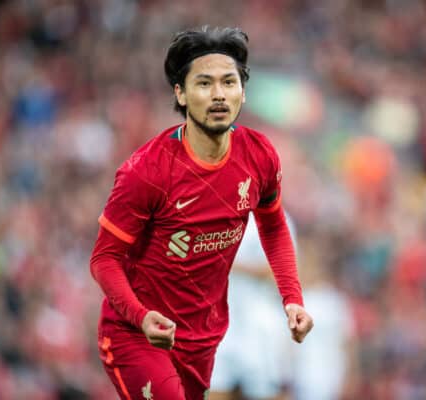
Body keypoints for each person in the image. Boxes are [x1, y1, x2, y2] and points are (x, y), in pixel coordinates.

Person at [89, 26, 313, 400]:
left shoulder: (259, 155)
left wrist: (291, 298)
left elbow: (272, 225)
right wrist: (141, 316)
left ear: (242, 90)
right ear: (180, 92)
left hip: (203, 338)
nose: (219, 94)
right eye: (204, 84)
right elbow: (104, 259)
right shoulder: (147, 171)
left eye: (229, 82)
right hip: (136, 334)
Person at [210, 212, 298, 400]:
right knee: (214, 388)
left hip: (259, 322)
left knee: (264, 391)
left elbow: (284, 271)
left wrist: (230, 263)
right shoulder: (216, 212)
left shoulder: (276, 217)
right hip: (220, 320)